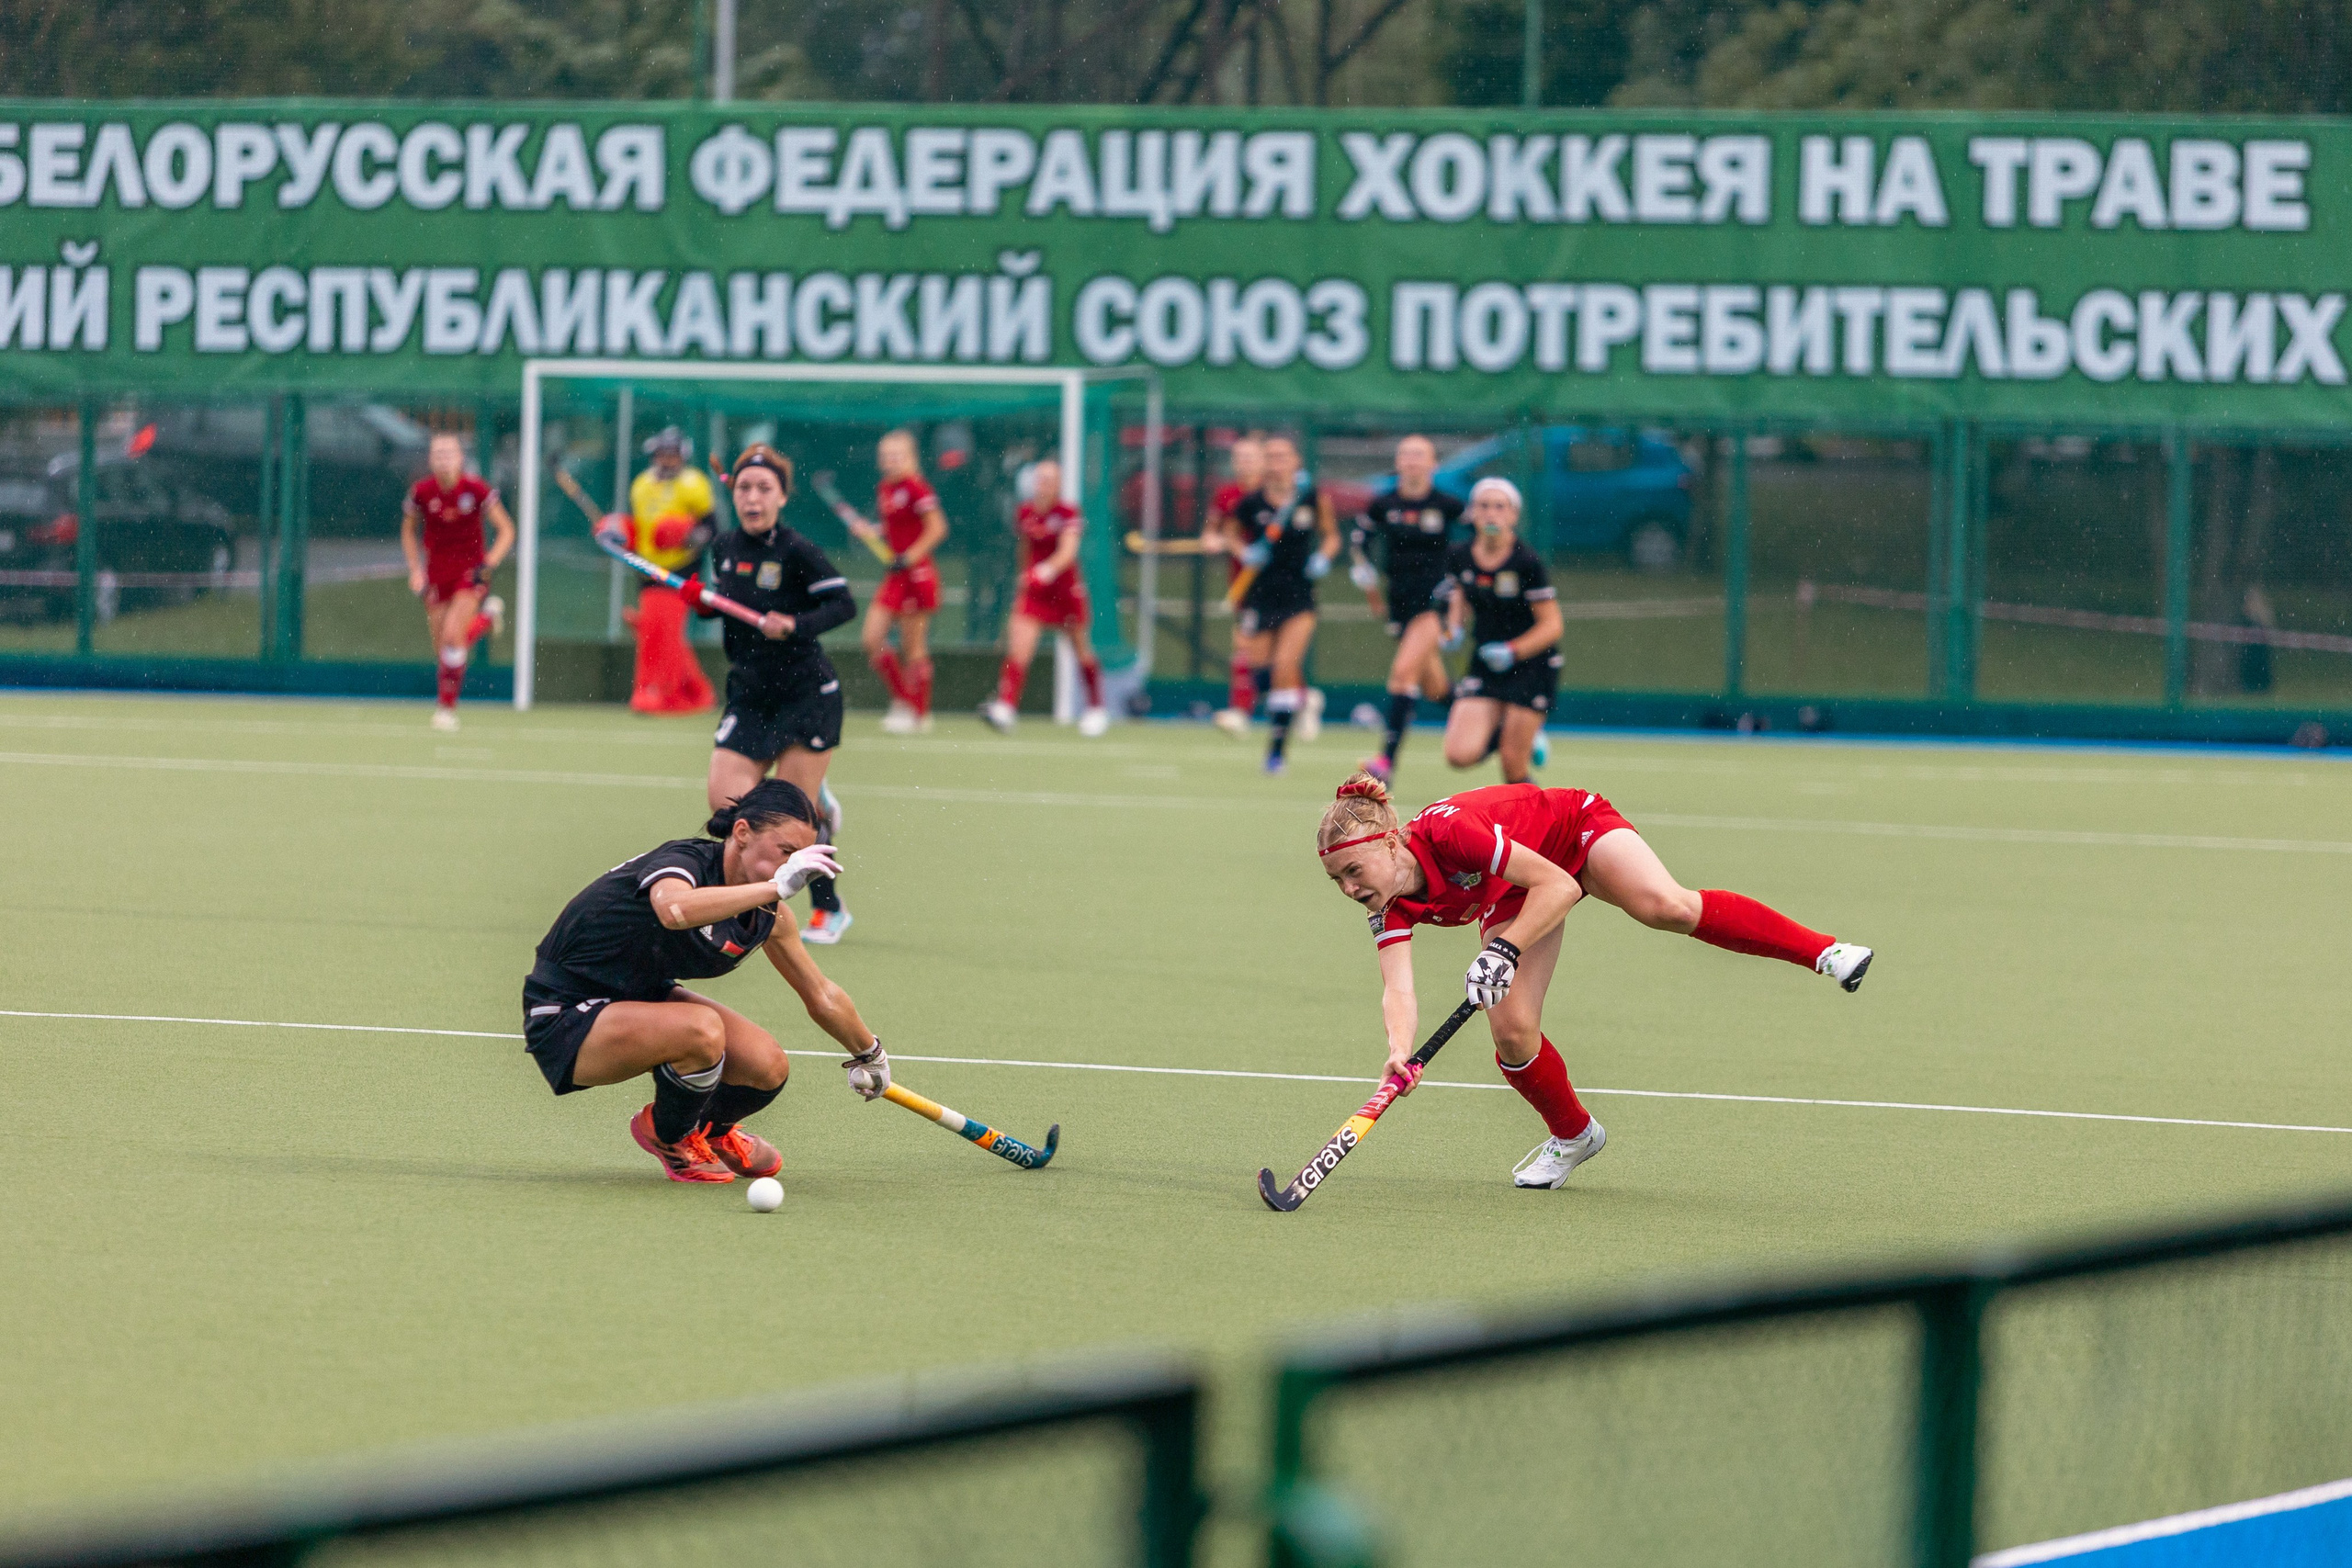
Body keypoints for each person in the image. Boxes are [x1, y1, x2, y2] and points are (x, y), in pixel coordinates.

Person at [1315, 773, 1873, 1190]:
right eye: (1337, 878)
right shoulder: (1387, 906)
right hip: (1515, 888)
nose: (1347, 888)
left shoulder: (1451, 833)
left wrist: (1504, 951)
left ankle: (1827, 952)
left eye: (1353, 871)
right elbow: (1399, 988)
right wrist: (1398, 1052)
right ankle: (1575, 1135)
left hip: (1572, 832)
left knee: (1666, 906)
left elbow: (1559, 885)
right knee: (1511, 1032)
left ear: (1390, 844)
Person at [521, 780, 892, 1184]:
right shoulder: (687, 861)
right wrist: (773, 887)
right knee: (703, 1031)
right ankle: (669, 1135)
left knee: (766, 1064)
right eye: (785, 852)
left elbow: (820, 994)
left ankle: (711, 1132)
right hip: (566, 1013)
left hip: (641, 998)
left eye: (799, 858)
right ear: (743, 833)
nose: (791, 868)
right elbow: (673, 910)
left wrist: (869, 1053)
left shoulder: (769, 912)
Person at [680, 443, 858, 946]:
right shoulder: (725, 547)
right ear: (732, 494)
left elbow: (844, 605)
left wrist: (795, 624)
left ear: (782, 497)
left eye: (764, 488)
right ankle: (738, 898)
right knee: (730, 811)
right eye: (744, 488)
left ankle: (830, 909)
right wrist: (704, 603)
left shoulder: (798, 551)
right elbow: (731, 605)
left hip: (807, 695)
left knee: (798, 823)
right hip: (751, 695)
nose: (753, 497)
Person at [1219, 434, 1339, 773]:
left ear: (1295, 461)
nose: (1276, 463)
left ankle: (1276, 751)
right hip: (1260, 595)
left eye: (1282, 457)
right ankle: (1299, 702)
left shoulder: (1311, 498)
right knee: (1260, 666)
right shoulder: (1251, 502)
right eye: (1270, 457)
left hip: (1299, 596)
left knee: (1286, 664)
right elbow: (1229, 532)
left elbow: (1331, 535)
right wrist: (1243, 552)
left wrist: (1323, 557)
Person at [1349, 434, 1464, 781]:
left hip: (1434, 604)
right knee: (1435, 688)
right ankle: (1497, 724)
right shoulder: (1384, 504)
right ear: (1398, 463)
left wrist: (1458, 598)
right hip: (1399, 602)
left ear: (1434, 464)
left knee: (1402, 674)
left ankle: (1385, 762)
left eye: (1420, 455)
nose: (1412, 461)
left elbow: (1477, 547)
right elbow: (1359, 542)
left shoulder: (1448, 505)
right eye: (1406, 455)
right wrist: (1362, 567)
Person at [1437, 478, 1563, 785]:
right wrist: (1453, 629)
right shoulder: (1459, 555)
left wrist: (1512, 651)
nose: (1491, 514)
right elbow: (1461, 594)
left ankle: (1540, 821)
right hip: (1485, 664)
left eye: (1499, 507)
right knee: (1459, 754)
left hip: (1532, 664)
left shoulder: (1526, 562)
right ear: (1472, 513)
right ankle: (1516, 731)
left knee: (1512, 766)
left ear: (1513, 516)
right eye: (1483, 506)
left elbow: (1552, 625)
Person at [984, 457, 1109, 739]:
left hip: (1065, 592)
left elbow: (1068, 552)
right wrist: (1025, 579)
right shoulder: (1025, 512)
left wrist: (1045, 570)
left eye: (1050, 480)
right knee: (1020, 648)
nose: (1044, 484)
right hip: (1036, 592)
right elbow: (1024, 550)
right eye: (1040, 479)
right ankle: (1005, 707)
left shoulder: (1068, 512)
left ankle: (1096, 709)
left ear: (1059, 484)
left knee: (1081, 651)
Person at [399, 431, 514, 733]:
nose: (444, 459)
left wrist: (488, 564)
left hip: (469, 574)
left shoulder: (476, 489)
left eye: (449, 453)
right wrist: (415, 570)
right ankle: (487, 619)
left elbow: (506, 530)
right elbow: (408, 531)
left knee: (452, 636)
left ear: (461, 459)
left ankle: (446, 709)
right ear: (430, 459)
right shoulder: (421, 493)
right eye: (438, 453)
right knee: (445, 650)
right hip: (437, 575)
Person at [840, 429, 948, 735]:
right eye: (885, 456)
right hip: (896, 575)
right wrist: (872, 530)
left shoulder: (917, 488)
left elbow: (938, 528)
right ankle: (903, 701)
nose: (890, 461)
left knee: (913, 647)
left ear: (911, 458)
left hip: (917, 574)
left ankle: (919, 713)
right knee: (871, 639)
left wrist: (911, 555)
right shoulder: (885, 488)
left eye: (896, 455)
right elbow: (897, 528)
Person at [624, 427, 718, 716]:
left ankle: (658, 690)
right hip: (646, 568)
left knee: (663, 630)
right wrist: (620, 533)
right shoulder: (641, 485)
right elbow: (638, 529)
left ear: (682, 456)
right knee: (658, 631)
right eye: (662, 453)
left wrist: (686, 536)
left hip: (681, 569)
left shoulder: (695, 484)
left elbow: (711, 530)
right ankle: (696, 693)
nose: (666, 459)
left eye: (672, 454)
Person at [1204, 434, 1265, 734]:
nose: (1245, 463)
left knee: (1265, 649)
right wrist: (1213, 540)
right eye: (1239, 458)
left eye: (1251, 457)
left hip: (1276, 581)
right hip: (1242, 581)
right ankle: (1242, 709)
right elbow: (1214, 531)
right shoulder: (1227, 494)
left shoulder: (1273, 494)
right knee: (1245, 644)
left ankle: (1299, 699)